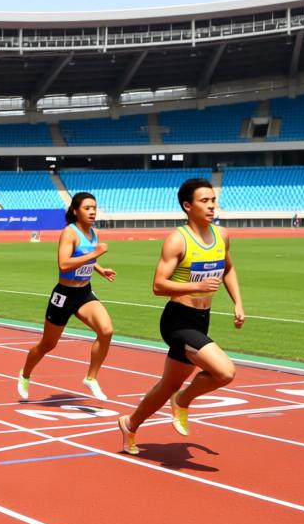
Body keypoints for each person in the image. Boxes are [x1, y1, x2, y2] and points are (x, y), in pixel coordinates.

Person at [117, 178, 245, 454]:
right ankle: (184, 399)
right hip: (178, 320)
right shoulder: (178, 240)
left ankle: (130, 424)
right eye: (204, 201)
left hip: (202, 318)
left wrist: (238, 302)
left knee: (168, 384)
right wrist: (195, 286)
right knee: (224, 372)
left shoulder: (222, 235)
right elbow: (158, 285)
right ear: (188, 206)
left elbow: (228, 269)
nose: (211, 206)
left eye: (213, 200)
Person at [17, 191, 116, 402]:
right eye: (87, 208)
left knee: (106, 331)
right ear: (75, 211)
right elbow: (64, 264)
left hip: (84, 293)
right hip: (64, 295)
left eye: (94, 208)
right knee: (48, 344)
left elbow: (85, 255)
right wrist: (95, 254)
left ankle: (91, 378)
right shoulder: (69, 233)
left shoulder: (92, 233)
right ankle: (25, 374)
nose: (92, 212)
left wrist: (100, 268)